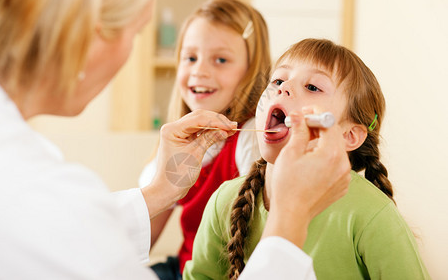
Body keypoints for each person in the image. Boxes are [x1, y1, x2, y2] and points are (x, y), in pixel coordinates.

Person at [0, 0, 351, 279]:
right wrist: (290, 219)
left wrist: (158, 191)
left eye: (221, 59)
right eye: (135, 32)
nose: (199, 71)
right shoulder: (35, 193)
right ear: (91, 33)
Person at [183, 39, 430, 280]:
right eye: (278, 80)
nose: (283, 87)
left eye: (312, 87)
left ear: (350, 135)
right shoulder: (224, 201)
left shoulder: (372, 214)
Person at [138, 0, 270, 279]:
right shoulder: (178, 140)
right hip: (183, 269)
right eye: (190, 58)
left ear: (251, 70)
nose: (199, 71)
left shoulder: (251, 138)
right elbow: (143, 232)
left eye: (220, 59)